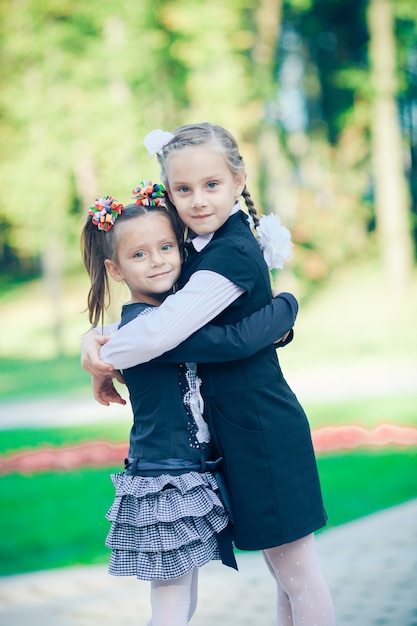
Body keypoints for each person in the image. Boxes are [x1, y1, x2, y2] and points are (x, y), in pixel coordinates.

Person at [82, 124, 335, 626]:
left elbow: (159, 335)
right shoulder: (198, 246)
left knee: (298, 574)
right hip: (239, 433)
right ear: (169, 193)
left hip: (262, 429)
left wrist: (103, 349)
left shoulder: (230, 253)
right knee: (285, 576)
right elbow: (163, 320)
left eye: (211, 185)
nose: (197, 200)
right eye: (183, 189)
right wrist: (95, 341)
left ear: (239, 180)